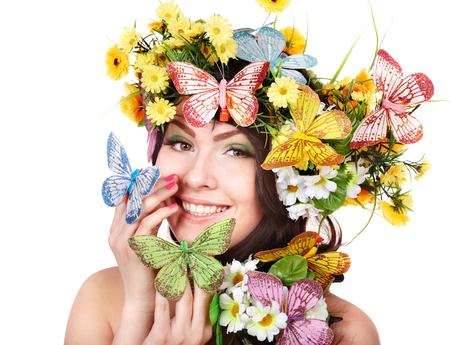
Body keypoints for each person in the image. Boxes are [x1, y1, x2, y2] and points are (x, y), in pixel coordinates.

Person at [64, 87, 380, 344]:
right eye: (181, 143)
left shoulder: (341, 332)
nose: (195, 177)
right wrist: (138, 310)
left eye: (236, 150)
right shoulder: (104, 298)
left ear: (291, 177)